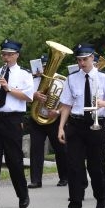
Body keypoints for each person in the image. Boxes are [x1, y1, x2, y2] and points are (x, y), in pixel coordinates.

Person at [57, 44, 105, 208]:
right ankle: (75, 206)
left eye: (85, 59)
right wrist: (61, 127)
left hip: (96, 125)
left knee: (95, 166)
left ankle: (100, 199)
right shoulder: (71, 78)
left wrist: (103, 103)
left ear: (93, 58)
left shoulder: (104, 78)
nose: (82, 63)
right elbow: (66, 104)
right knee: (74, 167)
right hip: (75, 125)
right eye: (79, 60)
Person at [0, 39, 34, 208]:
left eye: (10, 54)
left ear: (17, 55)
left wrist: (8, 89)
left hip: (13, 120)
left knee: (14, 161)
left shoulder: (24, 74)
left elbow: (29, 97)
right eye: (4, 54)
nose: (6, 57)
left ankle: (23, 194)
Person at [28, 54, 69, 188]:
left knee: (60, 148)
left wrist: (57, 110)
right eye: (44, 66)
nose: (45, 69)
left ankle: (64, 177)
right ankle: (35, 180)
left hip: (54, 119)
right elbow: (24, 96)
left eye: (47, 66)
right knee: (36, 149)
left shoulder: (61, 80)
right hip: (36, 117)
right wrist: (34, 96)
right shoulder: (32, 79)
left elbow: (67, 101)